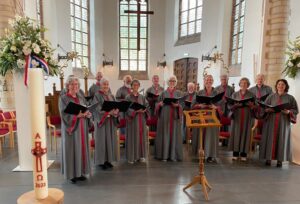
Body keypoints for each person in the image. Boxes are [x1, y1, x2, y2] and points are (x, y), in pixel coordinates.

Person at [59, 75, 91, 183]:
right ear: (67, 85)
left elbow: (86, 108)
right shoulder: (63, 98)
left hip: (82, 126)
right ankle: (72, 174)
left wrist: (88, 114)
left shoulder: (81, 97)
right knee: (72, 150)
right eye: (72, 84)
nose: (74, 86)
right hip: (71, 129)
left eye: (76, 84)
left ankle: (80, 172)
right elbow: (63, 114)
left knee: (81, 149)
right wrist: (76, 116)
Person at [259, 79, 298, 167]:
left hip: (283, 122)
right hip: (271, 121)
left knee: (282, 139)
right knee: (270, 139)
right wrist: (267, 110)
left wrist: (288, 112)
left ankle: (279, 160)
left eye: (282, 84)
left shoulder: (290, 98)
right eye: (279, 84)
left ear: (286, 86)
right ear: (276, 86)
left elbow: (295, 110)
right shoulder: (271, 96)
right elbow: (264, 108)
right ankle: (268, 158)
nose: (280, 86)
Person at [91, 78, 119, 170]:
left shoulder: (111, 95)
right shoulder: (97, 95)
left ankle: (108, 160)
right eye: (104, 84)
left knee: (109, 140)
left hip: (110, 122)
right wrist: (107, 113)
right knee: (102, 141)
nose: (106, 86)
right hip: (101, 123)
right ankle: (100, 161)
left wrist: (115, 112)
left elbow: (116, 106)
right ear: (100, 85)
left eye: (107, 84)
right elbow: (96, 108)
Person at [191, 75, 220, 163]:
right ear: (204, 81)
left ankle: (210, 155)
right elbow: (192, 105)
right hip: (201, 117)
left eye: (210, 80)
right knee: (200, 135)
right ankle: (200, 154)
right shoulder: (199, 92)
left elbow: (221, 105)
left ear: (213, 81)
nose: (209, 81)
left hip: (212, 118)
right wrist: (200, 105)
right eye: (207, 80)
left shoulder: (217, 93)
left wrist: (215, 107)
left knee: (211, 135)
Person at [155, 75, 183, 161]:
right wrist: (160, 105)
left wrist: (177, 105)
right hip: (165, 116)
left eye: (174, 81)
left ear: (175, 83)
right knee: (165, 134)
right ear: (168, 82)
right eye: (170, 81)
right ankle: (164, 155)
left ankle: (173, 155)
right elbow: (157, 104)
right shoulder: (163, 93)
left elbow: (182, 105)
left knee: (174, 134)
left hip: (174, 116)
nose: (172, 82)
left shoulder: (179, 93)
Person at [228, 77, 256, 161]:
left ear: (248, 85)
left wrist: (252, 106)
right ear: (239, 84)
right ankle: (235, 153)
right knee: (235, 134)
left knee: (246, 134)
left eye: (245, 83)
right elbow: (229, 105)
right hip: (237, 116)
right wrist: (235, 106)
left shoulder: (252, 95)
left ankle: (244, 154)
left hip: (247, 116)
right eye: (242, 83)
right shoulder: (235, 94)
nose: (243, 84)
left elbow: (256, 106)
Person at [125, 79, 149, 163]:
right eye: (134, 85)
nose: (135, 86)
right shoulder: (128, 97)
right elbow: (126, 109)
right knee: (133, 137)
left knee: (141, 137)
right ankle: (132, 157)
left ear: (139, 86)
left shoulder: (142, 97)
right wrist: (135, 111)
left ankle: (140, 156)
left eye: (137, 85)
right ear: (131, 86)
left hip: (141, 120)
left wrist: (144, 110)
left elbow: (147, 106)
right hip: (133, 121)